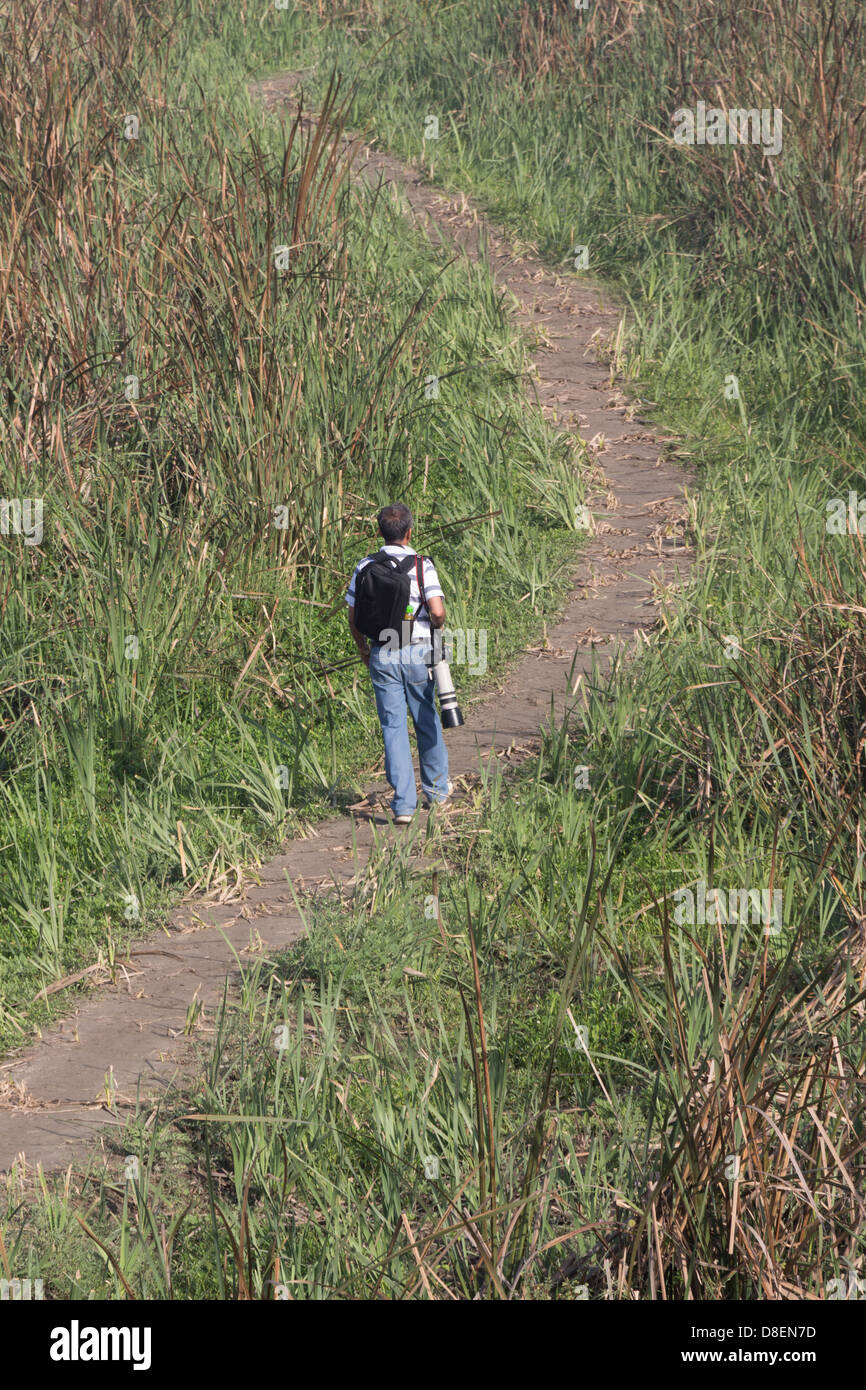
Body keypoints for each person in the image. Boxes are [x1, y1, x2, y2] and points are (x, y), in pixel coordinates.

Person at [346, 503, 453, 824]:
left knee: (393, 727)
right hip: (418, 651)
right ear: (409, 532)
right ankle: (436, 792)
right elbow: (436, 610)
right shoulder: (422, 566)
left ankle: (403, 805)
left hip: (383, 653)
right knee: (426, 718)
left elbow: (353, 616)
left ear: (380, 532)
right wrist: (439, 625)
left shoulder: (365, 565)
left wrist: (364, 649)